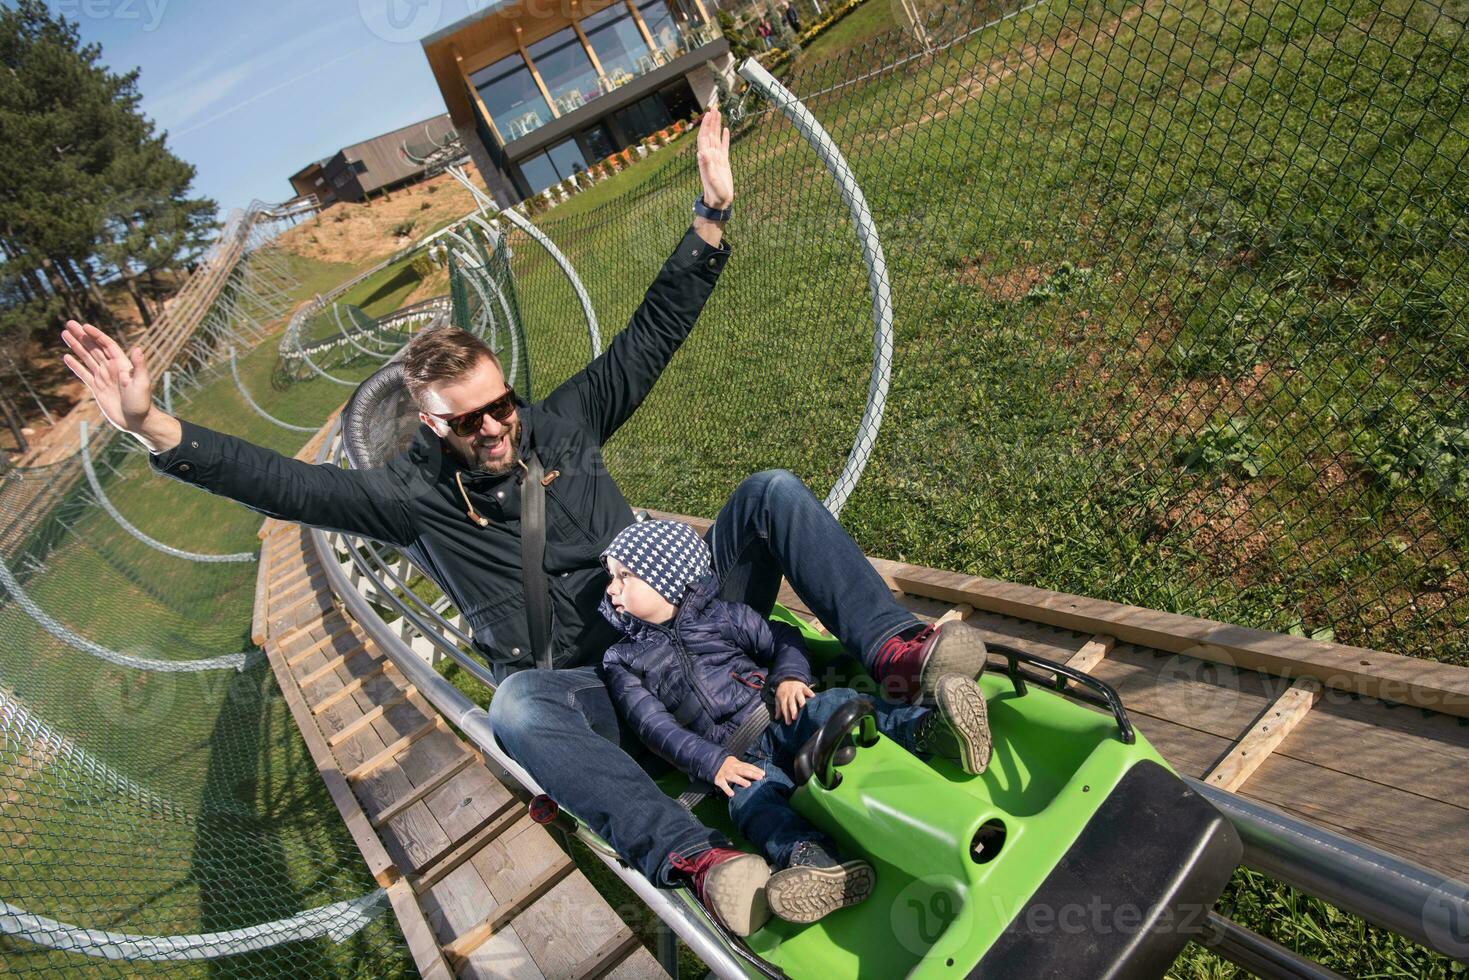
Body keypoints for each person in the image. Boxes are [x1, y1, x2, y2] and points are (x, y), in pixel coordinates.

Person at [58, 104, 991, 929]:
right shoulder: (409, 496)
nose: (499, 425)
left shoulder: (558, 425)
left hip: (692, 629)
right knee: (514, 707)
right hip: (605, 688)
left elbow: (648, 338)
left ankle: (899, 656)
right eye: (472, 420)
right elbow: (283, 488)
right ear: (431, 424)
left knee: (772, 492)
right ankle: (703, 861)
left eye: (503, 404)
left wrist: (709, 214)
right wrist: (153, 425)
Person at [599, 519, 991, 934]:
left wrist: (790, 678)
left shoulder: (723, 617)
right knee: (752, 804)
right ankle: (816, 862)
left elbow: (782, 636)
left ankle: (931, 730)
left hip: (775, 712)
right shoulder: (623, 659)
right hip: (733, 757)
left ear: (667, 579)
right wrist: (714, 764)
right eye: (612, 578)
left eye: (625, 576)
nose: (611, 589)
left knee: (835, 707)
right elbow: (654, 726)